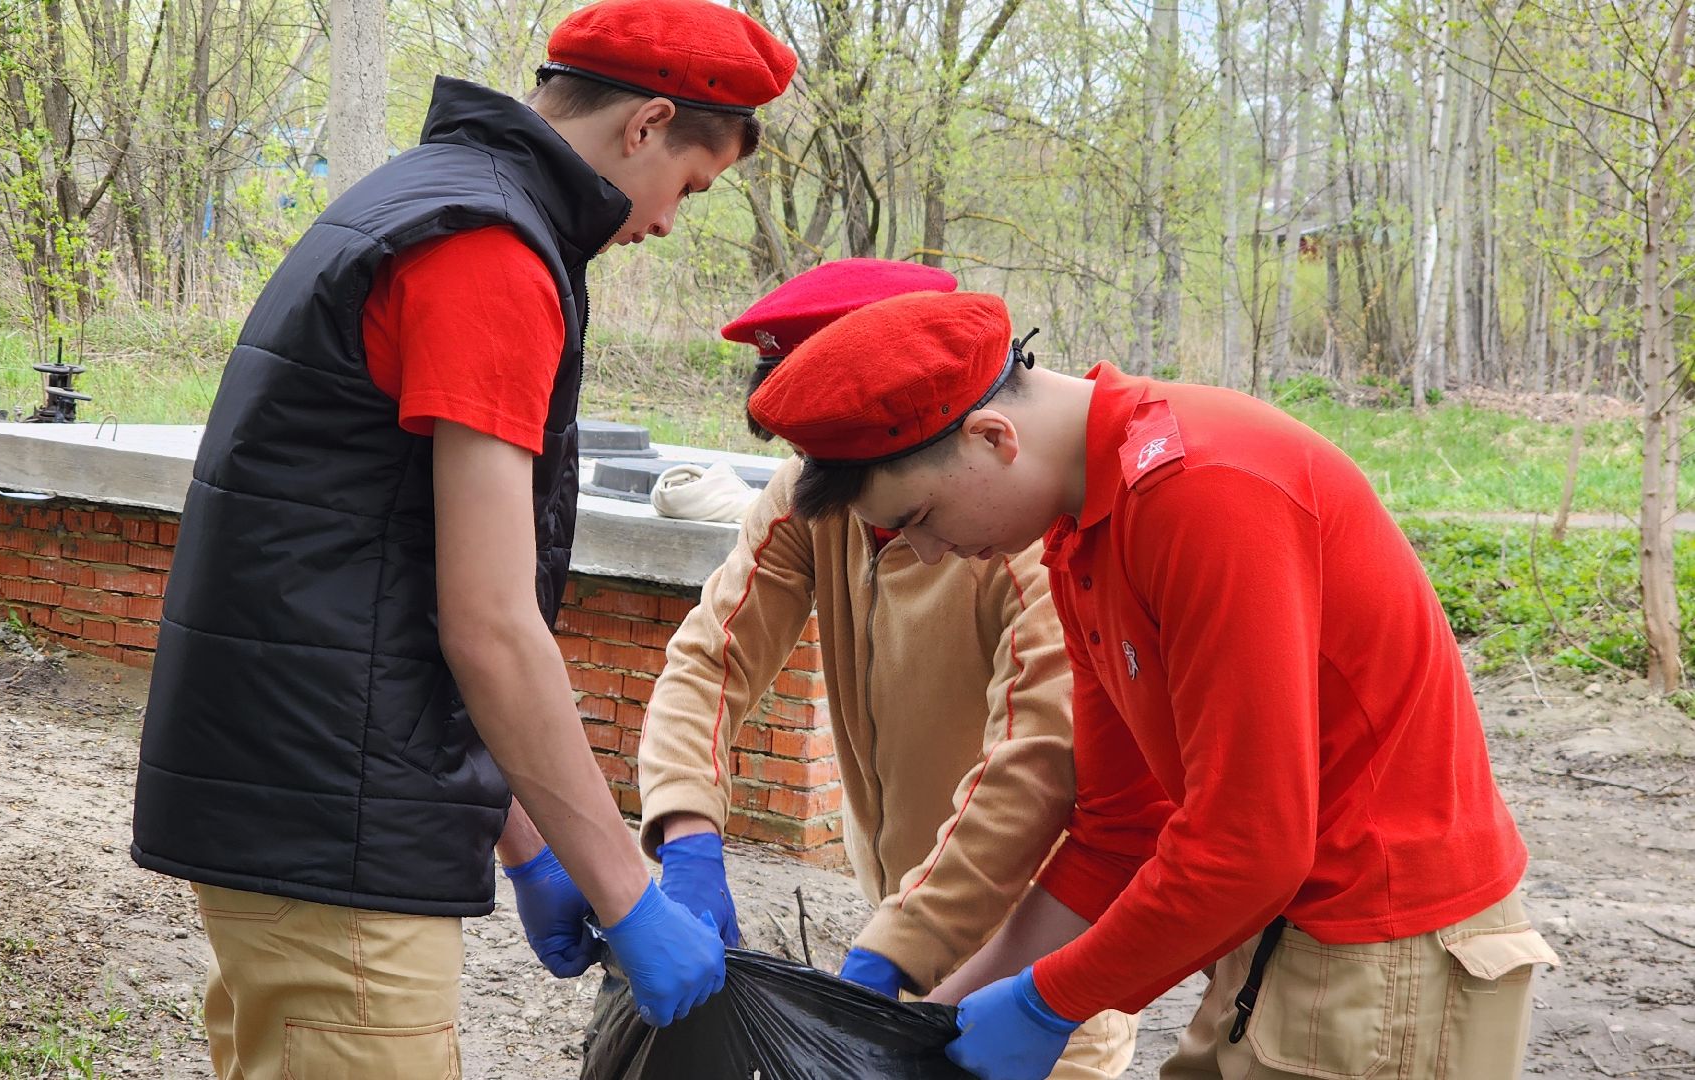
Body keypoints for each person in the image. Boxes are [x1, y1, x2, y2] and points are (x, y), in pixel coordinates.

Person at [129, 3, 796, 1075]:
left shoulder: (427, 199)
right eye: (691, 185)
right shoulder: (489, 256)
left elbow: (381, 575)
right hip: (333, 824)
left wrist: (526, 843)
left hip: (300, 795)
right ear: (647, 124)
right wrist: (627, 895)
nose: (671, 222)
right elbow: (488, 623)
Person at [743, 289, 1560, 1080]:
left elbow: (1252, 846)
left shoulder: (1203, 492)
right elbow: (1119, 831)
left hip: (1382, 951)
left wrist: (1046, 1003)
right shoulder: (1081, 534)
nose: (925, 554)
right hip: (1273, 942)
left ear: (993, 437)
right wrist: (936, 1017)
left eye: (919, 518)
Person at [636, 259, 1149, 1078]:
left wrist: (897, 948)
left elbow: (1035, 764)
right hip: (903, 929)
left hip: (1034, 961)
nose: (814, 471)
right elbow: (710, 659)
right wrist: (687, 829)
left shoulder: (1020, 534)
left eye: (831, 446)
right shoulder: (812, 500)